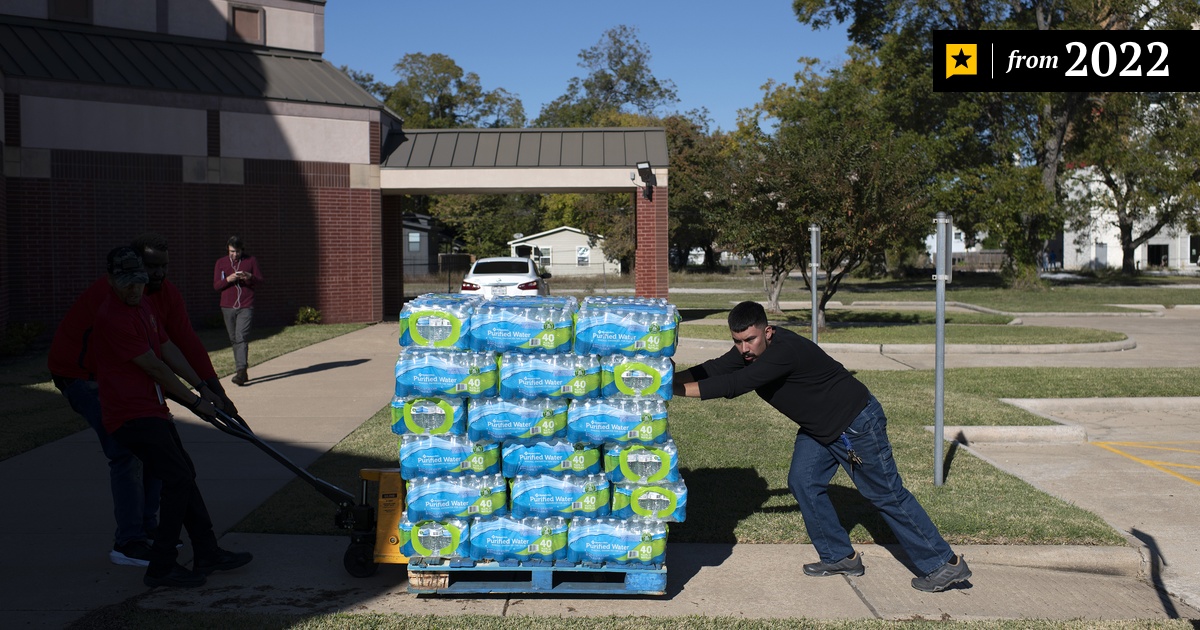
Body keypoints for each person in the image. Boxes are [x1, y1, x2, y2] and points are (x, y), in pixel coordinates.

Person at [672, 301, 972, 593]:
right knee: (803, 481)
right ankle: (840, 557)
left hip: (855, 423)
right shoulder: (750, 353)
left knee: (886, 494)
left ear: (768, 331)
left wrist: (669, 389)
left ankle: (944, 563)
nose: (744, 349)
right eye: (738, 342)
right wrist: (667, 377)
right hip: (820, 428)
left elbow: (733, 385)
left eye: (749, 340)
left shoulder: (783, 353)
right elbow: (714, 369)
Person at [94, 246, 253, 588]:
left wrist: (204, 386)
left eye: (138, 282)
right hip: (129, 416)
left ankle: (207, 551)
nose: (134, 289)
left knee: (184, 474)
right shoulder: (113, 317)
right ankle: (162, 565)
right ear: (110, 281)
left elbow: (167, 348)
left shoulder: (144, 305)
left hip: (152, 410)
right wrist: (196, 403)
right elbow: (154, 367)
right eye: (126, 283)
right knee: (178, 478)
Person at [213, 236, 263, 386]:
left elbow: (260, 281)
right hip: (227, 306)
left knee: (241, 336)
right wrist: (228, 279)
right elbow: (216, 286)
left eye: (237, 251)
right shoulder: (221, 263)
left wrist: (249, 277)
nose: (234, 255)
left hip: (246, 305)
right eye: (232, 252)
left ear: (242, 250)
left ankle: (241, 371)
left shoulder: (251, 261)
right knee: (234, 338)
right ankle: (241, 370)